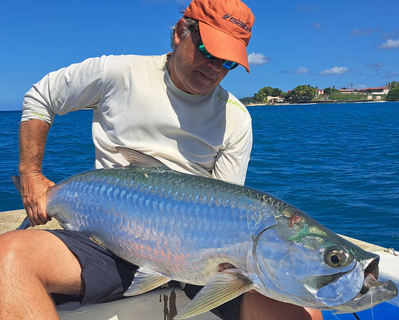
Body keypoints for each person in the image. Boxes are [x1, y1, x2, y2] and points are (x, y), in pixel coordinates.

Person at [0, 0, 323, 319]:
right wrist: (31, 174)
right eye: (209, 52)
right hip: (106, 243)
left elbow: (226, 210)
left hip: (198, 262)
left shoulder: (235, 119)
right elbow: (41, 97)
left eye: (228, 63)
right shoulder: (118, 73)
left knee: (307, 312)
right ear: (180, 32)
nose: (214, 69)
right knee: (6, 258)